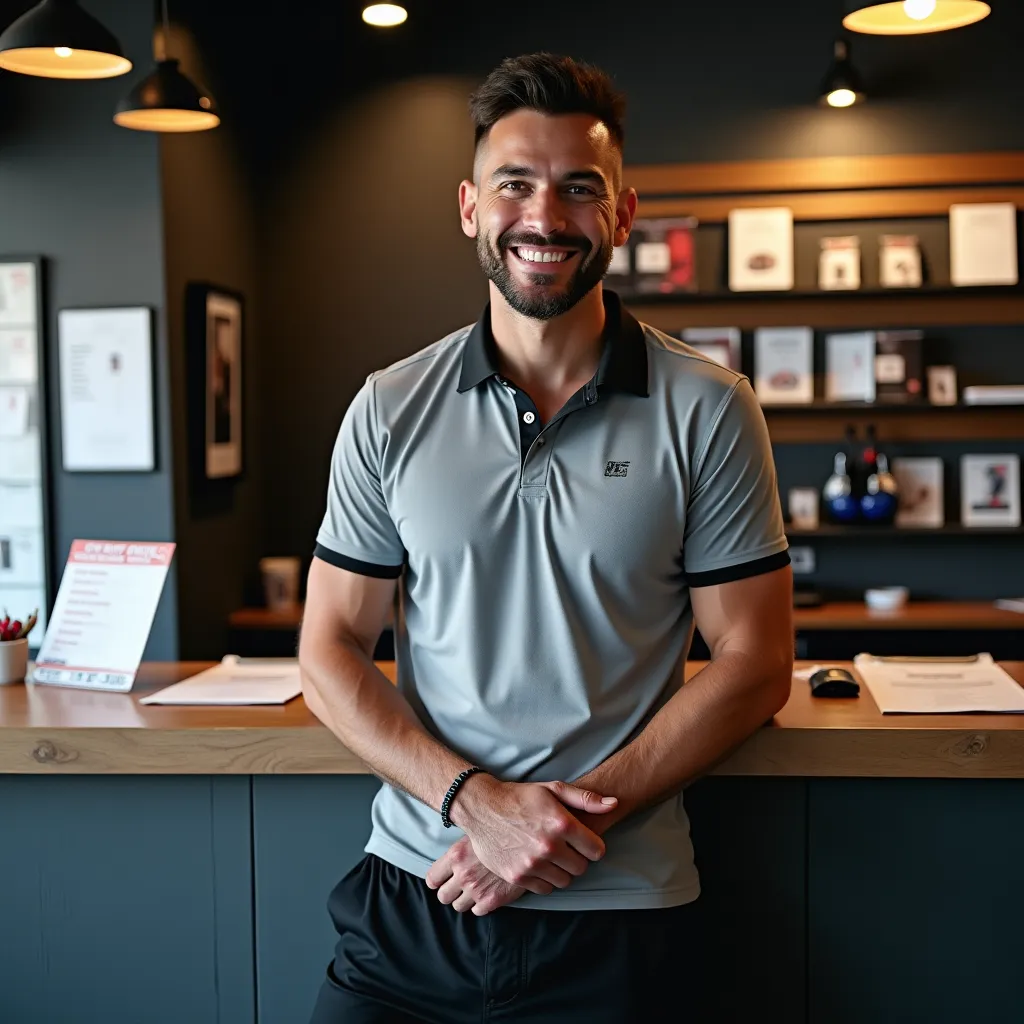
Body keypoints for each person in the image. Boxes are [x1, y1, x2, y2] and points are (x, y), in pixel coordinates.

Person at [300, 52, 793, 1023]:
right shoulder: (389, 409)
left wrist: (554, 826)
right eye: (514, 184)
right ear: (469, 208)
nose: (543, 214)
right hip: (417, 891)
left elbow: (755, 662)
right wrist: (476, 804)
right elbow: (328, 651)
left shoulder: (709, 409)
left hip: (620, 913)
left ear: (621, 213)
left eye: (578, 188)